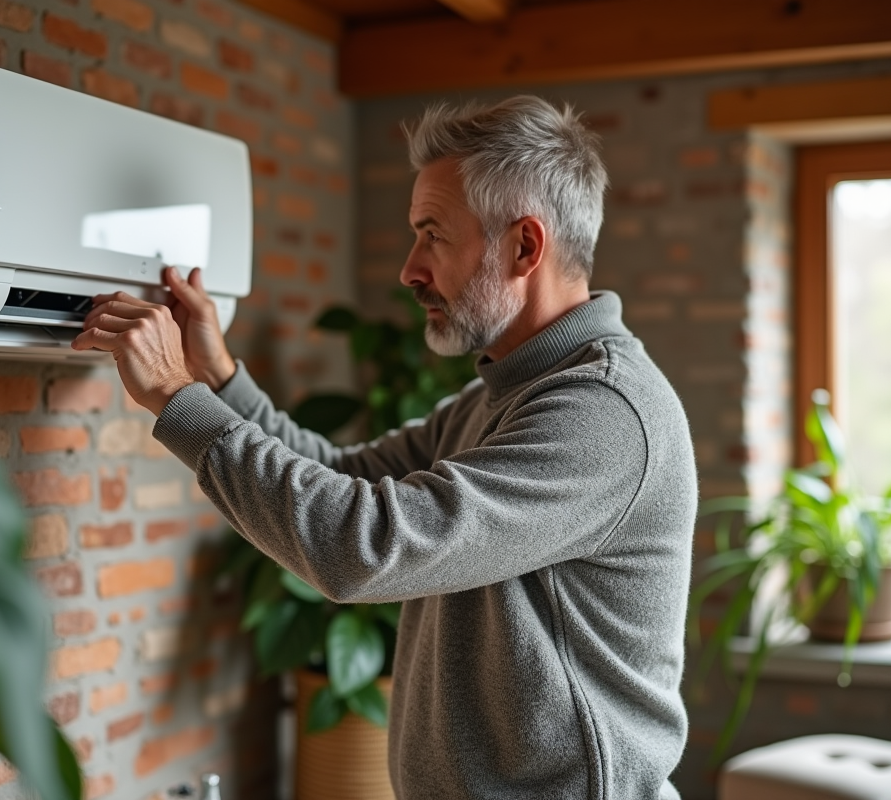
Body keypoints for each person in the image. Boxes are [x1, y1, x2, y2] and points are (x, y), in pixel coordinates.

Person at [74, 96, 697, 799]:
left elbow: (362, 545)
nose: (409, 269)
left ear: (525, 247)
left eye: (433, 235)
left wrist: (173, 395)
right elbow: (341, 475)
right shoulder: (505, 396)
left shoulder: (601, 414)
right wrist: (217, 380)